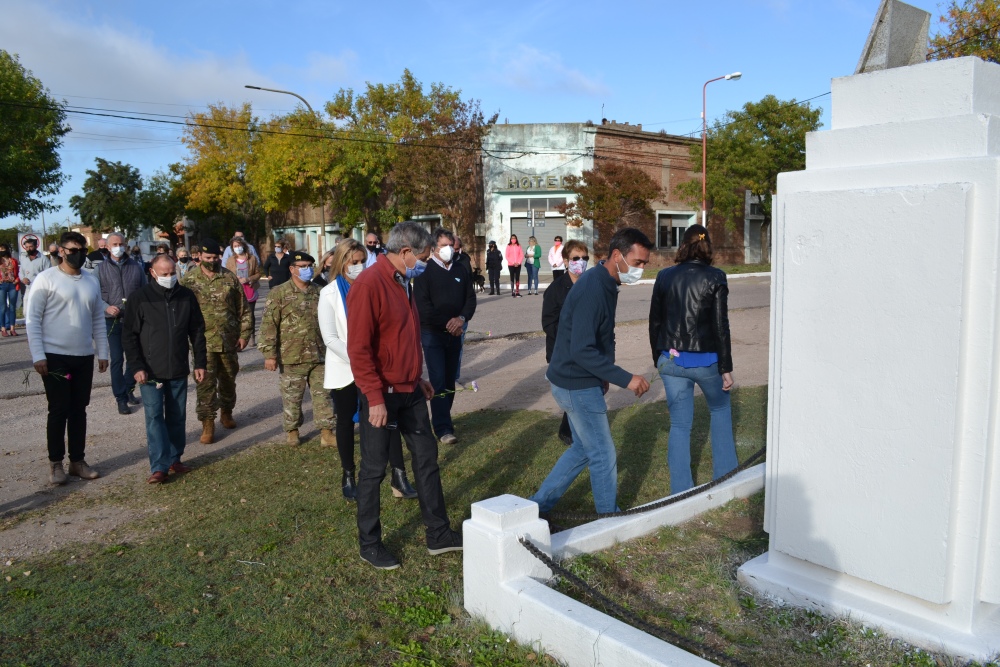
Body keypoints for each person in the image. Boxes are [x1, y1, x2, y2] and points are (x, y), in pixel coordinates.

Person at [347, 220, 463, 569]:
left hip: (410, 390)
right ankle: (370, 543)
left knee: (426, 459)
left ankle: (438, 534)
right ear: (406, 252)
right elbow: (359, 349)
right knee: (373, 469)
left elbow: (405, 338)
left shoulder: (405, 282)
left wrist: (419, 377)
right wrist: (375, 396)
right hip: (381, 394)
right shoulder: (369, 285)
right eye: (425, 255)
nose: (428, 261)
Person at [529, 228, 653, 515]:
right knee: (602, 453)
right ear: (617, 256)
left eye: (645, 264)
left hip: (581, 380)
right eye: (638, 263)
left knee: (583, 449)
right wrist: (625, 378)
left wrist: (604, 374)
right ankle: (608, 518)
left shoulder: (607, 282)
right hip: (576, 384)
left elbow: (604, 334)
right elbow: (582, 350)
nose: (641, 270)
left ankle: (537, 506)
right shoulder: (593, 288)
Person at [318, 239, 417, 501]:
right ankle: (348, 474)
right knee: (345, 422)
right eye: (354, 262)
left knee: (389, 420)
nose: (359, 266)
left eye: (363, 261)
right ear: (342, 264)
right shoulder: (328, 294)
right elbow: (329, 338)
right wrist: (359, 360)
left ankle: (398, 475)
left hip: (375, 368)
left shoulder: (376, 285)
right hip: (345, 369)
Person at [649, 224, 738, 494]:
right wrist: (726, 367)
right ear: (707, 246)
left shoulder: (664, 276)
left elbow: (655, 321)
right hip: (707, 360)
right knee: (720, 411)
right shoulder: (716, 277)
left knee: (679, 424)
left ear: (683, 246)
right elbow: (721, 326)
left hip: (671, 359)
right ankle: (725, 477)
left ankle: (681, 490)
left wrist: (659, 358)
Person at [25, 231, 109, 485]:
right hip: (54, 356)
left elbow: (97, 318)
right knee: (59, 409)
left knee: (79, 410)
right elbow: (32, 320)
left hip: (82, 356)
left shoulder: (91, 281)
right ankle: (55, 464)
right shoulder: (46, 279)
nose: (78, 255)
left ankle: (77, 461)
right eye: (72, 250)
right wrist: (38, 355)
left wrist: (102, 351)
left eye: (82, 250)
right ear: (61, 251)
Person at [121, 255, 208, 484]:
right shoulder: (139, 298)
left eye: (172, 273)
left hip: (178, 367)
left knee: (177, 416)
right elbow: (128, 336)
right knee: (154, 417)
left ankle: (174, 458)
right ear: (152, 272)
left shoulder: (186, 296)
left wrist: (200, 362)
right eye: (165, 273)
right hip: (150, 372)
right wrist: (137, 367)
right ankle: (159, 466)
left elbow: (197, 331)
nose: (169, 277)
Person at [258, 250, 335, 446]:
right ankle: (292, 431)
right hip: (291, 355)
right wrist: (269, 354)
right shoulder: (279, 293)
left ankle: (327, 432)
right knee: (292, 396)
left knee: (323, 395)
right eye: (303, 267)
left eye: (310, 266)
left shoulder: (320, 292)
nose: (307, 270)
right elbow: (269, 325)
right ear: (292, 269)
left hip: (319, 354)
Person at [181, 239, 252, 444]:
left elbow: (244, 309)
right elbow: (181, 312)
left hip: (229, 339)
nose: (212, 261)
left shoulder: (229, 278)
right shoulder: (189, 280)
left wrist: (245, 334)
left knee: (229, 379)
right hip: (202, 342)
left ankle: (227, 412)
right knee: (205, 383)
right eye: (208, 258)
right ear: (200, 257)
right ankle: (207, 422)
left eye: (215, 257)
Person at [413, 228, 476, 446]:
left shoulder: (460, 268)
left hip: (456, 332)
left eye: (451, 244)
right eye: (443, 246)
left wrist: (461, 318)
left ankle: (444, 418)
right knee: (438, 380)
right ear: (433, 248)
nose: (448, 249)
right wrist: (448, 324)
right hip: (433, 334)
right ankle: (443, 428)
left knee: (450, 380)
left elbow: (470, 298)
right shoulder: (423, 272)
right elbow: (424, 307)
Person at [541, 239, 589, 446]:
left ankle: (569, 429)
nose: (581, 262)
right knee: (571, 393)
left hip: (586, 349)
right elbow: (548, 323)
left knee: (580, 391)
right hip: (563, 350)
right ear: (566, 261)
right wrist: (570, 337)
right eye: (576, 258)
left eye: (584, 258)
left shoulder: (590, 284)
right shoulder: (556, 289)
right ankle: (567, 430)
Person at [96, 232, 146, 414]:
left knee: (135, 357)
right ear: (107, 247)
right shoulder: (100, 269)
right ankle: (121, 398)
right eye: (115, 244)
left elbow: (144, 290)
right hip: (112, 321)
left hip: (133, 320)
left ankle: (129, 389)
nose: (119, 247)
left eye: (121, 243)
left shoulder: (136, 266)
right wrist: (106, 307)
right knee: (117, 359)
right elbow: (95, 296)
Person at [224, 236, 261, 345]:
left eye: (239, 245)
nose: (237, 248)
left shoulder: (252, 258)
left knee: (250, 315)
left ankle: (252, 335)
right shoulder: (230, 260)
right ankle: (239, 338)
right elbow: (227, 275)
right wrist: (236, 279)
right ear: (232, 248)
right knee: (237, 315)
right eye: (235, 246)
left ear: (243, 246)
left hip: (250, 289)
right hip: (236, 291)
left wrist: (249, 279)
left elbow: (258, 274)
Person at [18, 237, 48, 312]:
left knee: (38, 311)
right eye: (27, 247)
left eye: (31, 246)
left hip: (40, 289)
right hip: (28, 288)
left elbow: (48, 274)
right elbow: (21, 272)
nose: (28, 249)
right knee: (26, 312)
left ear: (35, 246)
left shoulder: (43, 259)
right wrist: (23, 278)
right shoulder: (24, 259)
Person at [0, 243, 20, 337]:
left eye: (3, 249)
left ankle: (12, 328)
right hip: (2, 285)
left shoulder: (14, 261)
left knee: (12, 307)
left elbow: (18, 272)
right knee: (3, 308)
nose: (2, 251)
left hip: (12, 284)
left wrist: (17, 279)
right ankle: (3, 328)